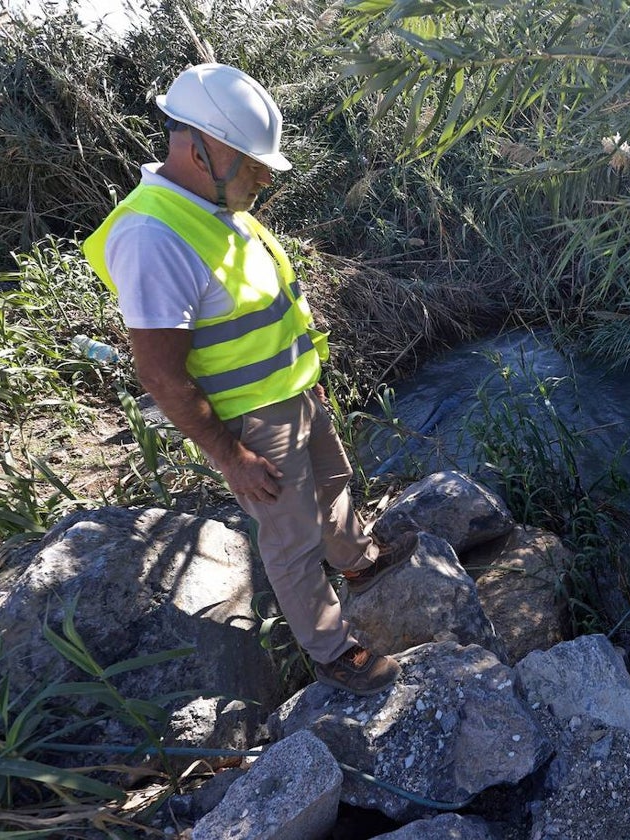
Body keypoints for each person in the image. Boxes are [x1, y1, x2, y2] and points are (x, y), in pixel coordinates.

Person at [83, 63, 414, 696]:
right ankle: (331, 649)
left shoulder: (216, 206)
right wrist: (230, 456)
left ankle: (358, 561)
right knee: (289, 540)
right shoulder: (154, 234)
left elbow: (265, 311)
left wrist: (307, 379)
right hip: (253, 422)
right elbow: (158, 372)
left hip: (294, 394)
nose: (267, 176)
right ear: (200, 147)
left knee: (335, 481)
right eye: (255, 162)